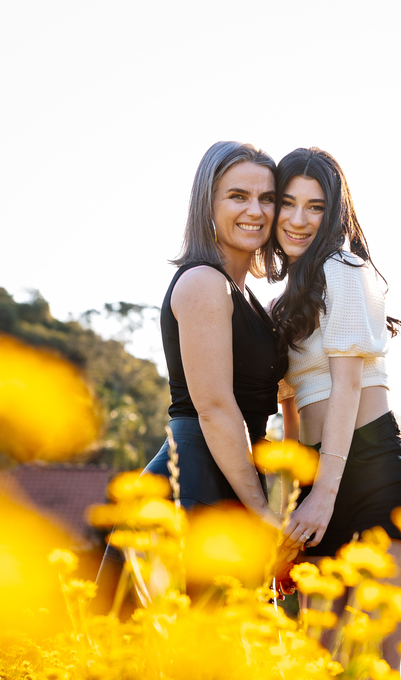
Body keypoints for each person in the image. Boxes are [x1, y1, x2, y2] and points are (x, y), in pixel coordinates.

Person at [271, 147, 401, 680]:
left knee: (379, 667)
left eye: (314, 207)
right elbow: (293, 414)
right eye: (288, 203)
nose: (298, 219)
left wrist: (322, 495)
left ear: (334, 214)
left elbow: (345, 387)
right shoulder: (287, 300)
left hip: (373, 470)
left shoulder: (343, 271)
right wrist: (298, 505)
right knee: (323, 671)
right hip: (320, 475)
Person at [95, 141, 288, 602]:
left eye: (267, 198)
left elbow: (265, 390)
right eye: (237, 196)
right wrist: (261, 512)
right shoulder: (204, 282)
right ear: (208, 204)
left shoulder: (245, 296)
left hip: (230, 472)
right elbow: (217, 408)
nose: (255, 210)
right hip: (197, 481)